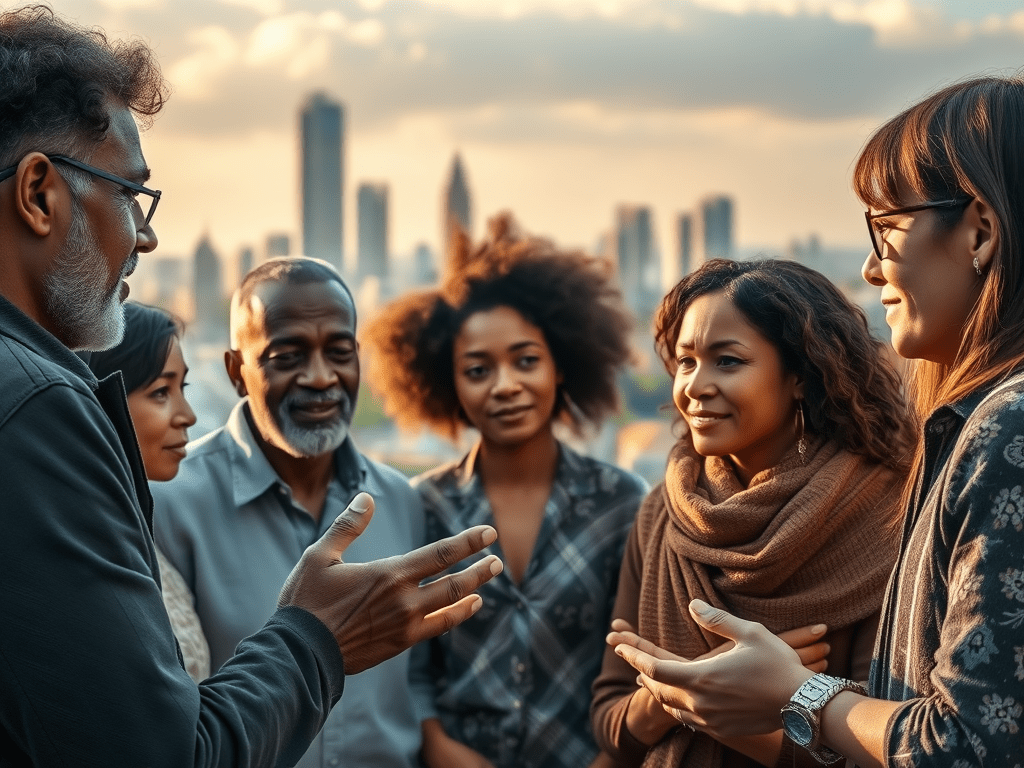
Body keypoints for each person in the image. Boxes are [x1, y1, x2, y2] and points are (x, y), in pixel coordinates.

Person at [0, 8, 500, 766]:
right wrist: (314, 636)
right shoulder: (40, 408)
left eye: (341, 350)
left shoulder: (402, 501)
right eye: (130, 194)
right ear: (39, 194)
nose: (145, 235)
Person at [611, 75, 1024, 768]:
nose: (869, 268)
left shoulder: (1004, 434)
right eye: (684, 362)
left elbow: (970, 746)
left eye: (887, 228)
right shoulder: (665, 515)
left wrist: (797, 695)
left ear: (980, 230)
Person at [590, 258, 917, 768]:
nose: (695, 386)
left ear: (802, 377)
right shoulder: (664, 513)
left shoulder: (885, 518)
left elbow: (885, 747)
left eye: (728, 361)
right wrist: (695, 685)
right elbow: (613, 723)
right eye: (686, 361)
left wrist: (689, 693)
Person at [363, 214, 649, 768]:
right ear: (447, 382)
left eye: (526, 361)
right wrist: (438, 746)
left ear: (560, 366)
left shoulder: (622, 503)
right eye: (478, 369)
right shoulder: (421, 506)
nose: (506, 385)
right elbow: (409, 665)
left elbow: (638, 659)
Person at [153, 256, 425, 768]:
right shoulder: (169, 505)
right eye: (288, 355)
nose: (321, 377)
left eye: (339, 352)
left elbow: (420, 684)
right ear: (237, 372)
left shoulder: (402, 499)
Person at [87, 301, 210, 683]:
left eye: (182, 387)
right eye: (161, 392)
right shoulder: (92, 550)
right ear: (102, 402)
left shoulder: (136, 530)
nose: (187, 414)